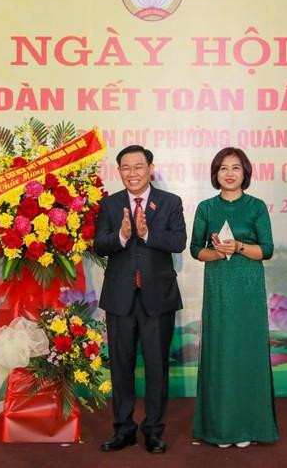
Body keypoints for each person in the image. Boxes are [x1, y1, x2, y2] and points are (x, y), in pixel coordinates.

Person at [94, 145, 187, 454]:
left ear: (150, 168)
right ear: (119, 171)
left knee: (157, 367)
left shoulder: (170, 203)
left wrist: (146, 234)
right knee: (120, 366)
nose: (132, 173)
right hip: (120, 298)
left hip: (157, 299)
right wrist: (121, 236)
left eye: (138, 167)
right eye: (125, 168)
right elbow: (99, 245)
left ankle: (154, 431)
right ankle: (123, 430)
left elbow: (178, 242)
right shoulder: (110, 204)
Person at [190, 147, 278, 448]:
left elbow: (266, 250)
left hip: (248, 287)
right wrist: (216, 252)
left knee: (246, 351)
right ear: (216, 173)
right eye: (223, 168)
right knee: (221, 351)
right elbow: (195, 250)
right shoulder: (206, 208)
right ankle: (220, 427)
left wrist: (238, 246)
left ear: (245, 173)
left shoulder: (256, 206)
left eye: (235, 168)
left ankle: (249, 425)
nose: (229, 173)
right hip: (219, 286)